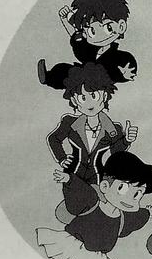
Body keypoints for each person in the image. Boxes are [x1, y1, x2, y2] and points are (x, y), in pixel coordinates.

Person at [35, 150, 152, 259]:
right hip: (72, 247)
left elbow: (137, 218)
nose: (130, 199)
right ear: (105, 186)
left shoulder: (123, 219)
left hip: (95, 258)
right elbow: (80, 191)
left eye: (138, 194)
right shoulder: (93, 202)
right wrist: (69, 179)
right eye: (122, 188)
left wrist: (147, 212)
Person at [47, 62, 137, 221]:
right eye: (83, 98)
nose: (89, 103)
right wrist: (62, 158)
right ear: (74, 100)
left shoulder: (113, 128)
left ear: (104, 96)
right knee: (77, 208)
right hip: (73, 175)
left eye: (94, 96)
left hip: (98, 178)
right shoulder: (69, 123)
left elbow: (116, 152)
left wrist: (126, 140)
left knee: (96, 207)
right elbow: (53, 139)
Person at [38, 0, 137, 91]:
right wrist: (64, 19)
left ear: (121, 26)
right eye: (92, 31)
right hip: (82, 79)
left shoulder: (119, 57)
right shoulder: (88, 48)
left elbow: (127, 68)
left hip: (101, 86)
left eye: (108, 28)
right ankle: (47, 78)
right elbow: (74, 34)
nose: (98, 36)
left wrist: (124, 75)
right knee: (64, 70)